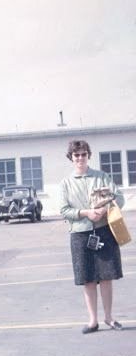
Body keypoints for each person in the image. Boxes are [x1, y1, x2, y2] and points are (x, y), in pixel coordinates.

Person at [59, 140, 125, 334]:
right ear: (71, 157)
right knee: (88, 279)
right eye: (76, 155)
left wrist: (105, 209)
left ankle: (109, 318)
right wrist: (86, 213)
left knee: (106, 276)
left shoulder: (102, 177)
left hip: (104, 230)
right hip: (80, 234)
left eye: (83, 154)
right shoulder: (65, 183)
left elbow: (119, 198)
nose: (80, 158)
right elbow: (64, 210)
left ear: (89, 155)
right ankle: (93, 321)